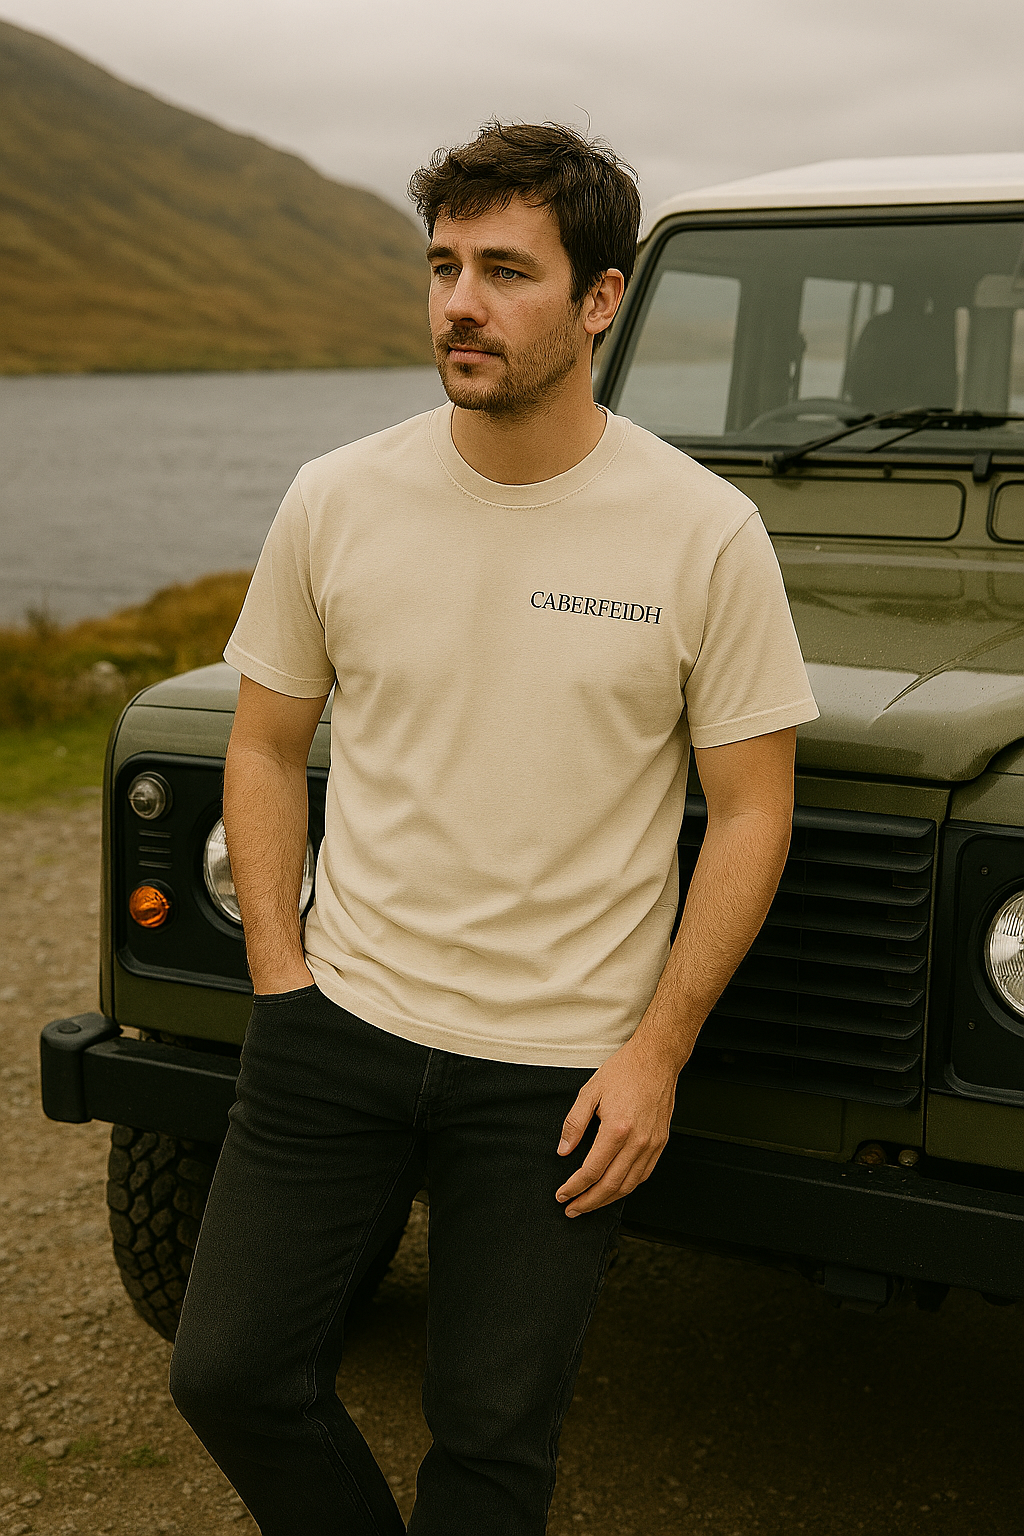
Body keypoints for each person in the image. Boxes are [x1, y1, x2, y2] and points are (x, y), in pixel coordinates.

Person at [168, 121, 819, 1535]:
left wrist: (657, 1055)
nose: (460, 301)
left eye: (506, 270)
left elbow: (757, 808)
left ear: (601, 298)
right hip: (337, 1023)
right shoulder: (336, 498)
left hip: (559, 1077)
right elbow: (267, 744)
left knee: (490, 1445)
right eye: (444, 265)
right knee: (229, 1375)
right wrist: (281, 981)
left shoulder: (703, 533)